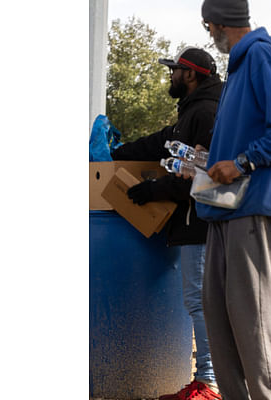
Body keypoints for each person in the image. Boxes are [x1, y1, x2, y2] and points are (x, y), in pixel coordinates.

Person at [197, 0, 271, 399]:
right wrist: (202, 163)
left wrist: (243, 162)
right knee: (220, 315)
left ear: (219, 23)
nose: (209, 34)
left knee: (251, 318)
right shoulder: (239, 68)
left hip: (250, 207)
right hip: (224, 209)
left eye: (209, 26)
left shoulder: (258, 55)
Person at [110, 46, 223, 400]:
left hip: (201, 221)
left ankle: (209, 383)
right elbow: (164, 142)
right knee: (199, 300)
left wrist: (153, 190)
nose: (171, 75)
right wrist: (117, 152)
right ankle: (205, 379)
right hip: (194, 222)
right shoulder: (192, 111)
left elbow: (200, 176)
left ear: (189, 74)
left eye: (175, 70)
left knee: (201, 301)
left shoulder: (205, 113)